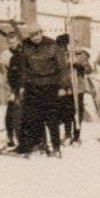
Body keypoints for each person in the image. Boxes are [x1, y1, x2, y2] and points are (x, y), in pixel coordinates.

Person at [14, 24, 69, 157]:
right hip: (32, 87)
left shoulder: (52, 46)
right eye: (32, 36)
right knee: (34, 119)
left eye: (37, 34)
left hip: (50, 86)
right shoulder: (26, 47)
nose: (35, 38)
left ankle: (56, 147)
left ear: (41, 33)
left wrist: (63, 87)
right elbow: (23, 69)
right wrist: (21, 86)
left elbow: (62, 68)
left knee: (51, 119)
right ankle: (39, 145)